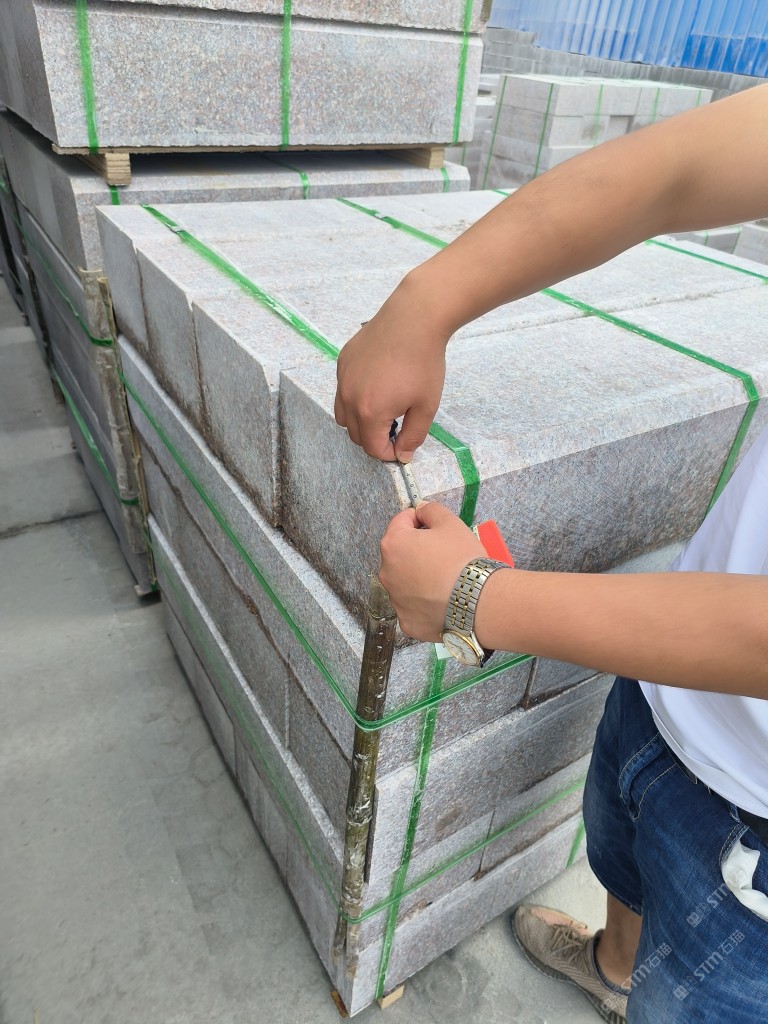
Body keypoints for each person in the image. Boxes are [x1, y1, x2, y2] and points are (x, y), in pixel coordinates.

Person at [334, 83, 768, 1023]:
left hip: (757, 845)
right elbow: (675, 169)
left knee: (688, 1000)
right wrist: (423, 302)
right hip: (666, 681)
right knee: (621, 857)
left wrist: (474, 599)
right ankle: (611, 967)